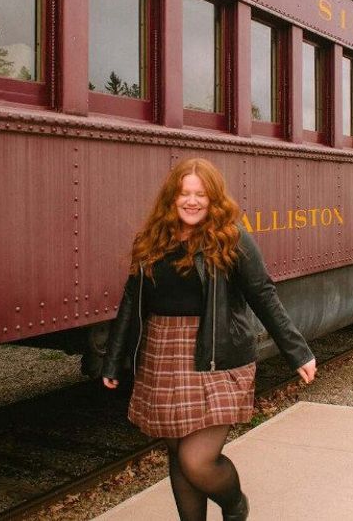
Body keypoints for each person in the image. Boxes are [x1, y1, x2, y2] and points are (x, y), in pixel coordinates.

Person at [100, 157, 315, 521]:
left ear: (215, 200)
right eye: (184, 193)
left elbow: (263, 294)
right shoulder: (151, 240)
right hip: (162, 355)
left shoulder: (231, 238)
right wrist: (113, 359)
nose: (192, 201)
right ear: (171, 198)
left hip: (216, 353)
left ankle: (234, 505)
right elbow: (131, 302)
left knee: (196, 460)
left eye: (201, 195)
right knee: (178, 454)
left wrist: (298, 353)